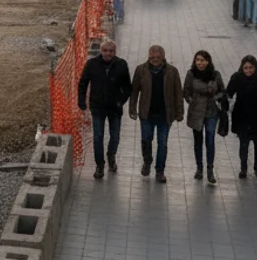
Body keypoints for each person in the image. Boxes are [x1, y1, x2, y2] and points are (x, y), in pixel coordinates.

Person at [129, 45, 184, 183]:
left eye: (157, 57)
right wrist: (132, 109)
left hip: (165, 115)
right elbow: (134, 91)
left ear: (163, 57)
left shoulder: (172, 71)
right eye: (152, 56)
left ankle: (160, 170)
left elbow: (178, 93)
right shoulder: (141, 70)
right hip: (146, 114)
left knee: (162, 143)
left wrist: (179, 112)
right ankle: (147, 162)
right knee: (146, 139)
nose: (154, 59)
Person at [77, 41, 132, 179]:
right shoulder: (92, 64)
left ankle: (111, 155)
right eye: (105, 50)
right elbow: (83, 83)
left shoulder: (121, 64)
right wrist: (82, 102)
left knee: (115, 136)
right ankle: (100, 165)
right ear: (101, 51)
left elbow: (127, 87)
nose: (108, 53)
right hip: (98, 107)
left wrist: (121, 101)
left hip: (115, 107)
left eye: (111, 51)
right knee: (98, 137)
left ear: (115, 51)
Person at [184, 50, 225, 184]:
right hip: (196, 112)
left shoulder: (215, 75)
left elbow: (222, 91)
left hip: (211, 112)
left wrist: (215, 98)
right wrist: (192, 101)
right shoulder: (191, 74)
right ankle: (199, 168)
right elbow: (186, 91)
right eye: (197, 60)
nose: (200, 63)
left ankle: (210, 169)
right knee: (198, 140)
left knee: (210, 139)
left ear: (208, 61)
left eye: (202, 60)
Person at [227, 56, 257, 178]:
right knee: (243, 144)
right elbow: (228, 92)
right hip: (242, 117)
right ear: (242, 67)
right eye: (246, 68)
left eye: (251, 68)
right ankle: (243, 168)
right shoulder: (237, 78)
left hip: (256, 117)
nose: (248, 71)